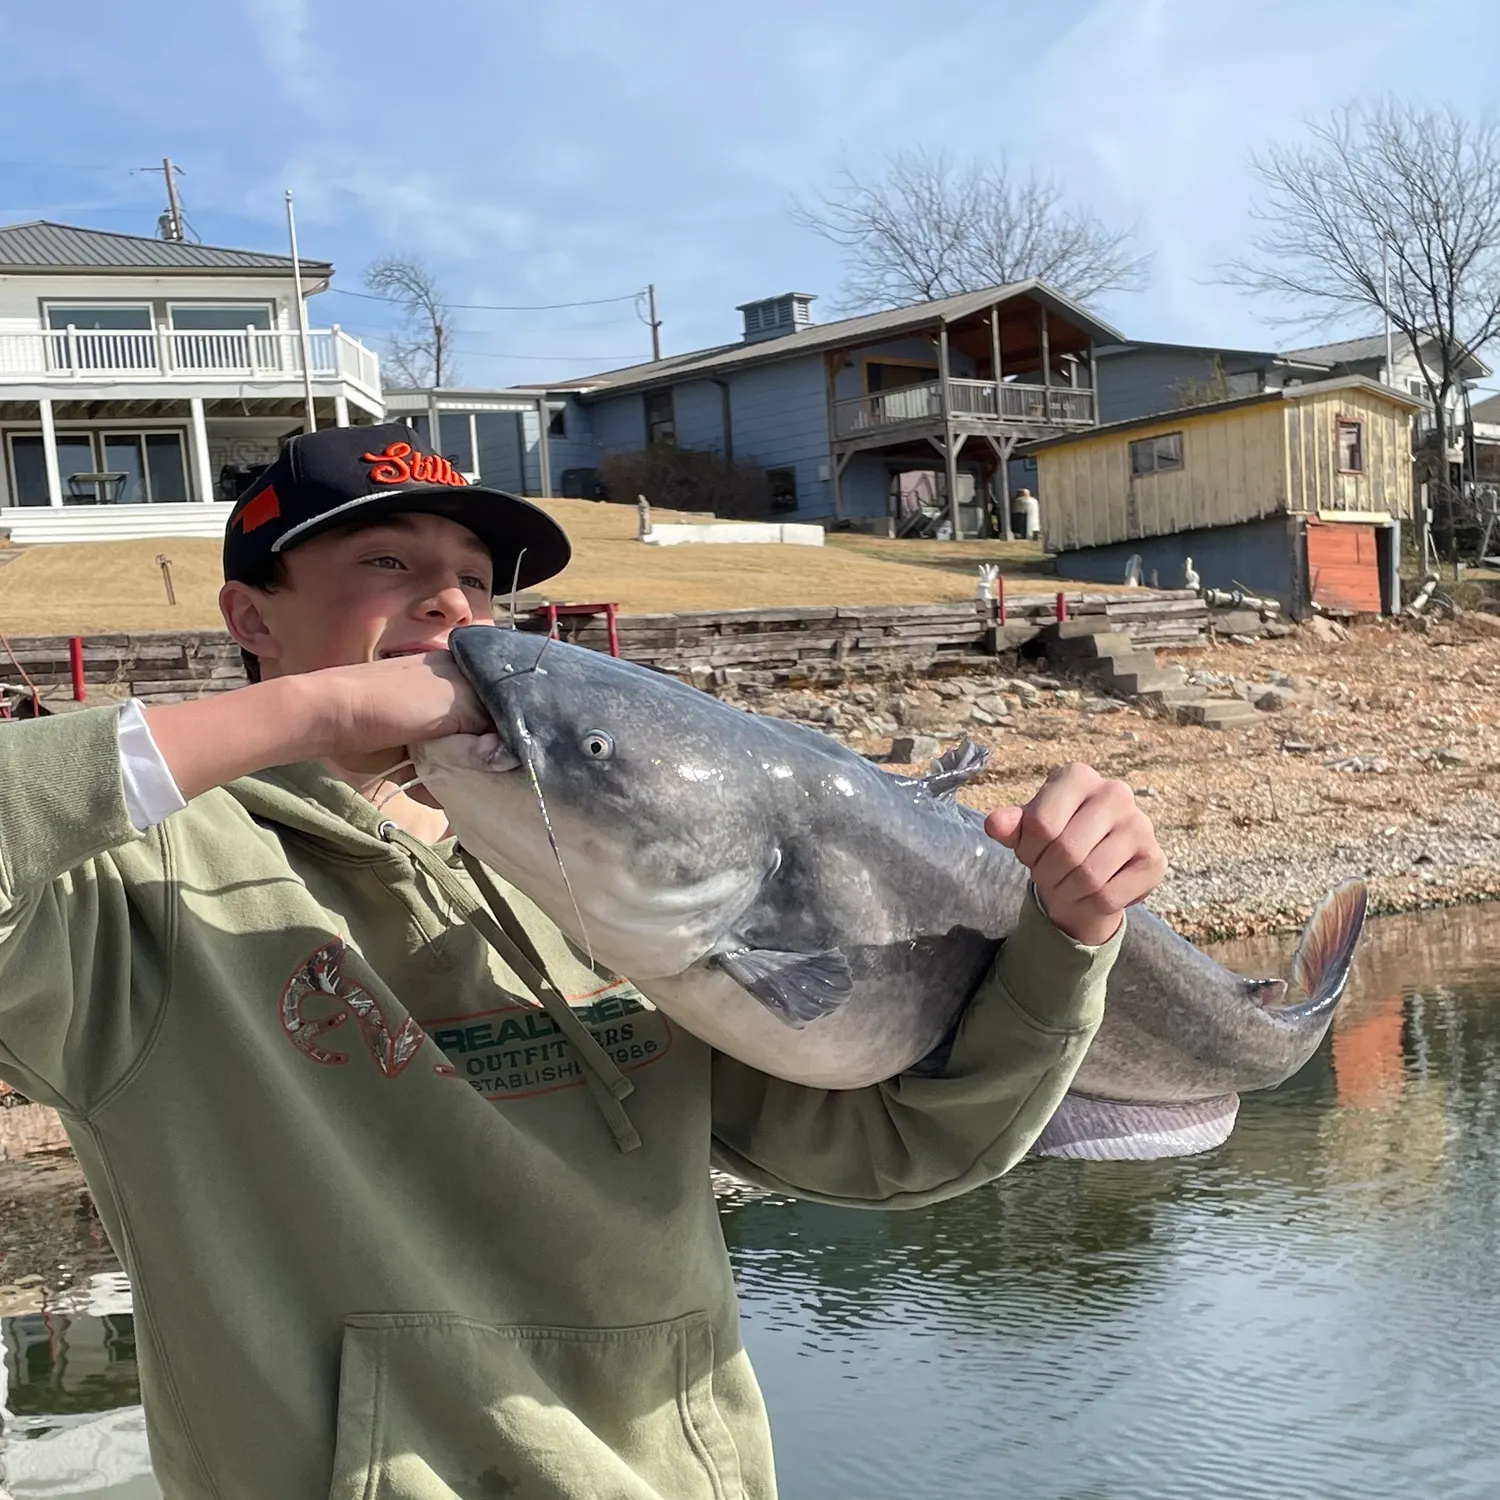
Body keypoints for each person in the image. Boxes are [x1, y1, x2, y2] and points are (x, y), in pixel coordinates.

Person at [0, 422, 1165, 1499]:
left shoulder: (593, 853)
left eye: (473, 576)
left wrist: (1066, 947)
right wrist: (317, 713)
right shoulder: (134, 888)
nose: (451, 604)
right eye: (389, 565)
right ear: (250, 618)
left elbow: (898, 1153)